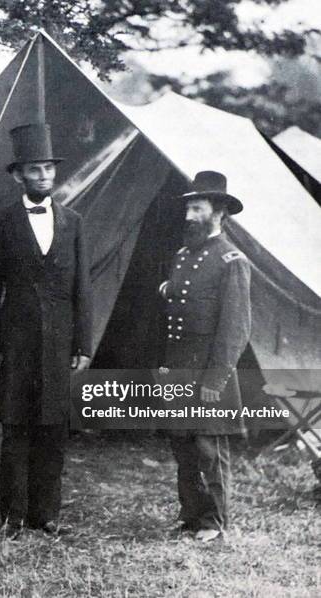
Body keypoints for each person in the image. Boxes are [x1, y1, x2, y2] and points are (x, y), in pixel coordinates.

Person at [0, 123, 93, 538]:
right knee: (16, 430)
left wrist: (84, 342)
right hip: (16, 343)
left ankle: (45, 515)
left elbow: (83, 286)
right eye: (35, 170)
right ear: (18, 176)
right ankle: (11, 515)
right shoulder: (2, 222)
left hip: (60, 343)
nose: (44, 176)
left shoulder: (74, 221)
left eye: (48, 169)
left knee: (53, 430)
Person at [159, 170, 251, 542]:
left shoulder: (232, 260)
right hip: (179, 366)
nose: (188, 216)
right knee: (182, 444)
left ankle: (214, 521)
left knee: (208, 448)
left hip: (209, 370)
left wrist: (217, 379)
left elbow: (236, 328)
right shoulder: (182, 255)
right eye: (188, 208)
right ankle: (190, 514)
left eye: (197, 208)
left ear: (219, 212)